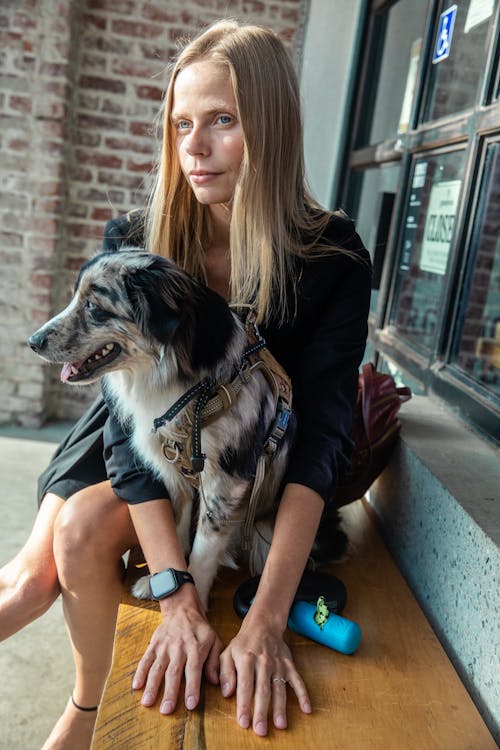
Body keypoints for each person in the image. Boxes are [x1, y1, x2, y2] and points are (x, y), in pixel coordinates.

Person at [0, 18, 371, 749]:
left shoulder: (333, 257)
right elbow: (120, 429)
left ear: (271, 128)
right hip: (131, 426)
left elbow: (320, 436)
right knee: (27, 584)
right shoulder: (138, 234)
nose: (194, 149)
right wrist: (176, 592)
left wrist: (265, 617)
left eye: (222, 122)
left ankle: (87, 717)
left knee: (77, 537)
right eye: (181, 125)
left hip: (245, 439)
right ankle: (89, 709)